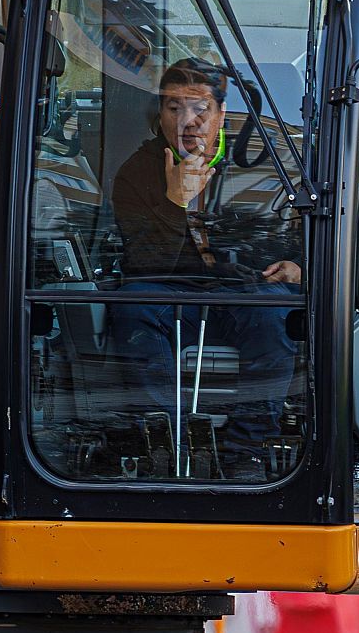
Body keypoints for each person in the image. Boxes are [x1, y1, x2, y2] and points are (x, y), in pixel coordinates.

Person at [105, 59, 301, 477]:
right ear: (160, 114)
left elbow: (314, 233)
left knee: (272, 313)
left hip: (248, 290)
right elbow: (142, 263)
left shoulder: (273, 162)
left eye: (200, 108)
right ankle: (165, 445)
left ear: (221, 113)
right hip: (171, 291)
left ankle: (247, 451)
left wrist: (300, 266)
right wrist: (175, 202)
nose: (187, 121)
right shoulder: (136, 172)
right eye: (173, 107)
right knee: (132, 306)